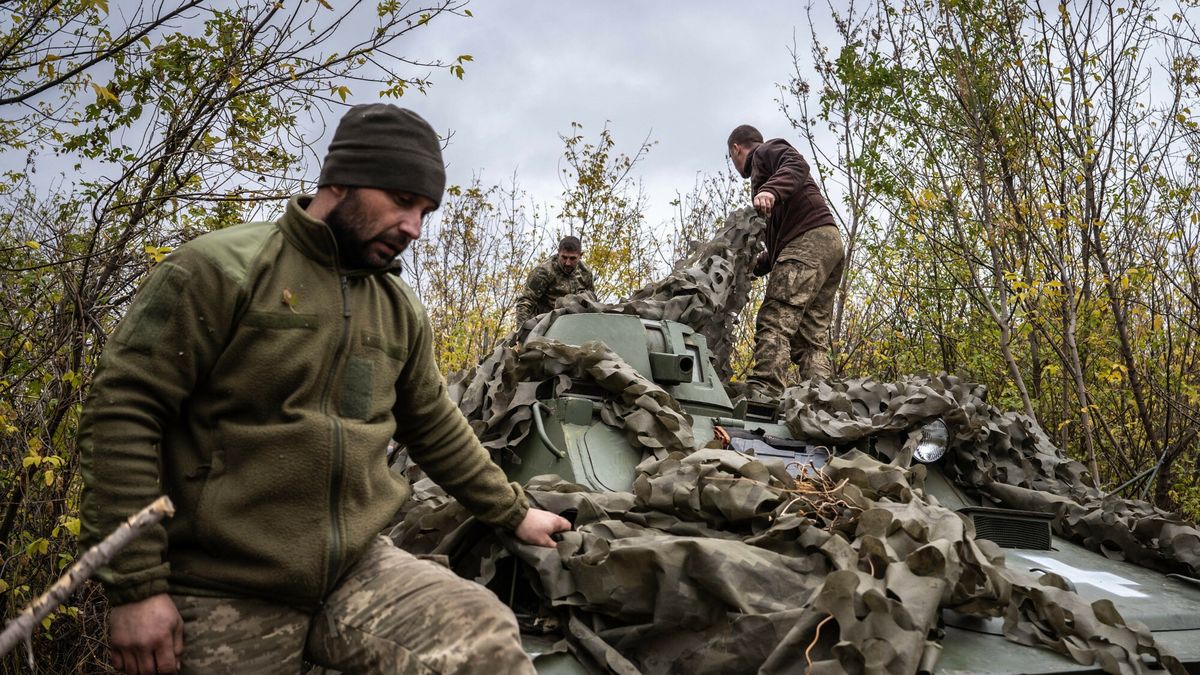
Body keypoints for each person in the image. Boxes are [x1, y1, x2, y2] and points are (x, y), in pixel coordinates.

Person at [78, 104, 571, 675]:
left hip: (355, 571)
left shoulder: (397, 307)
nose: (414, 227)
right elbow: (122, 415)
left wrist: (513, 513)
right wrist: (135, 588)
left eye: (425, 211)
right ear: (340, 179)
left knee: (482, 635)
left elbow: (433, 424)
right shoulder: (221, 270)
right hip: (220, 584)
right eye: (402, 201)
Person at [727, 124, 845, 398]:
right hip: (827, 244)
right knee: (809, 337)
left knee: (775, 317)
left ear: (736, 148)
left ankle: (765, 390)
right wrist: (754, 266)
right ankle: (822, 399)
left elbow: (796, 163)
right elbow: (782, 245)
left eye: (731, 156)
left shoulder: (765, 151)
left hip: (808, 241)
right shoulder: (770, 180)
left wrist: (770, 190)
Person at [513, 235, 596, 325]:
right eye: (564, 257)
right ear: (558, 253)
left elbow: (591, 302)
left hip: (576, 324)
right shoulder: (543, 272)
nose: (568, 263)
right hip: (546, 325)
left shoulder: (585, 272)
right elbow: (525, 302)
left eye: (572, 258)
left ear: (580, 255)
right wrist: (522, 332)